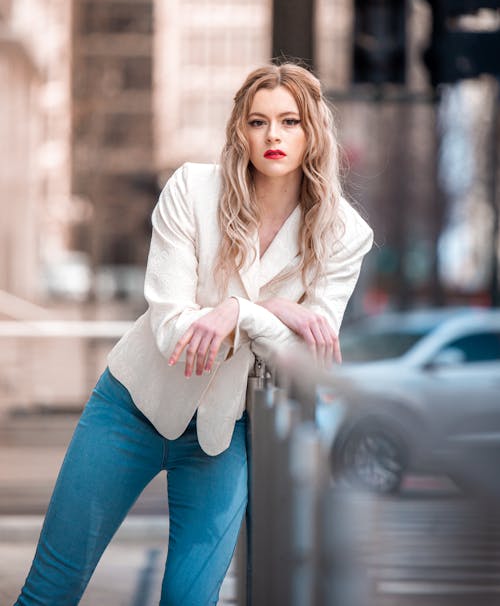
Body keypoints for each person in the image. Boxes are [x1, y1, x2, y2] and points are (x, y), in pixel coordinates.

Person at [14, 62, 373, 605]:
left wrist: (243, 312)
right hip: (129, 408)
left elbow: (310, 352)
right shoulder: (191, 190)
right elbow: (171, 325)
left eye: (290, 121)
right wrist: (266, 310)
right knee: (51, 591)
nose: (273, 136)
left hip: (219, 435)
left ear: (313, 132)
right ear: (240, 131)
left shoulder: (345, 233)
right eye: (258, 122)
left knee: (188, 599)